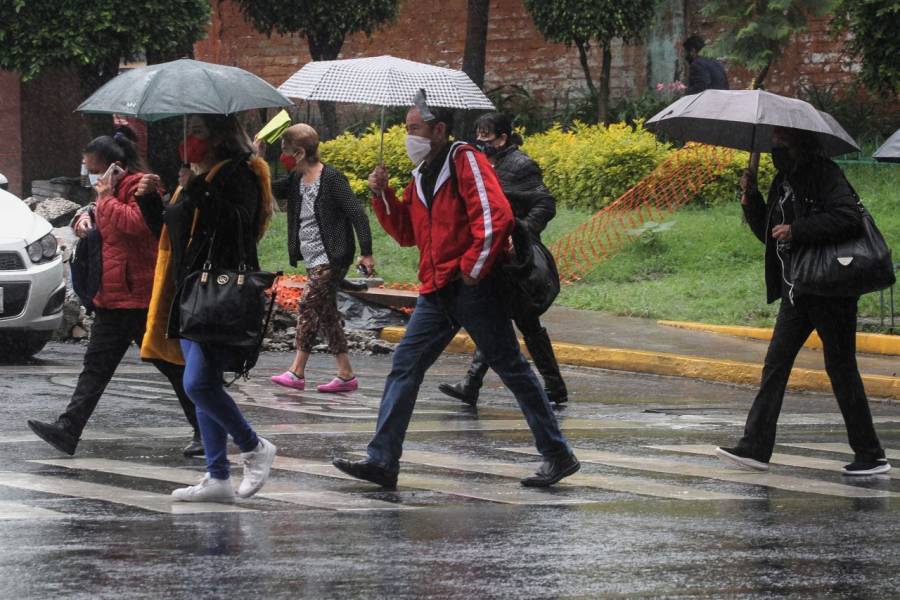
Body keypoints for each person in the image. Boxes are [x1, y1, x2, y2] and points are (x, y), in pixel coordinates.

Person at [332, 93, 580, 489]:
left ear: (439, 130)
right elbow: (407, 234)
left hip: (471, 288)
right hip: (438, 289)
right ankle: (382, 460)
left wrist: (471, 271)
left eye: (414, 129)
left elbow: (494, 218)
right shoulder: (421, 174)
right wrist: (381, 195)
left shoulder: (464, 160)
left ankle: (558, 454)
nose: (408, 136)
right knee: (405, 366)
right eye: (406, 129)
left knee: (511, 367)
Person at [716, 127, 891, 476]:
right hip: (797, 289)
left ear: (799, 141)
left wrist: (799, 230)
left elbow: (847, 217)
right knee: (775, 365)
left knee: (840, 369)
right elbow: (770, 234)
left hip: (830, 289)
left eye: (781, 139)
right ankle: (754, 447)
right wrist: (752, 201)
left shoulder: (823, 172)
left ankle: (871, 455)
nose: (775, 145)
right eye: (774, 140)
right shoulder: (783, 179)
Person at [26, 129, 202, 457]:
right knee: (96, 367)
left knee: (171, 365)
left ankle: (207, 427)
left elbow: (138, 225)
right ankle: (68, 429)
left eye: (93, 168)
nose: (89, 174)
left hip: (138, 294)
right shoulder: (108, 190)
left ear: (114, 166)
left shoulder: (141, 184)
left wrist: (104, 200)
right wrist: (86, 216)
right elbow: (107, 224)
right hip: (113, 294)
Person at [143, 114, 277, 503]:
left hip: (219, 291)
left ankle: (254, 447)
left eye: (198, 132)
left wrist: (198, 189)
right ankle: (217, 477)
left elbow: (239, 225)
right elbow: (174, 233)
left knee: (198, 384)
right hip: (188, 291)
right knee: (204, 385)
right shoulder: (200, 176)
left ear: (220, 137)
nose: (190, 140)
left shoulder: (242, 173)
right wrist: (151, 201)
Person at [438, 113, 567, 406]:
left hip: (514, 259)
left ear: (504, 138)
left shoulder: (521, 165)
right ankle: (548, 386)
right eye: (478, 135)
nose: (481, 142)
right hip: (491, 252)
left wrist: (520, 232)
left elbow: (544, 204)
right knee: (502, 318)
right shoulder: (480, 165)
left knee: (519, 320)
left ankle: (480, 383)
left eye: (487, 136)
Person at [268, 124, 375, 393]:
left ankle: (297, 372)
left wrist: (367, 252)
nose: (283, 156)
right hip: (313, 258)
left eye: (285, 151)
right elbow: (266, 189)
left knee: (307, 305)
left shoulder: (332, 179)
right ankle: (346, 374)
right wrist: (255, 158)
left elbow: (357, 215)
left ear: (300, 152)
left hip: (333, 257)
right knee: (327, 316)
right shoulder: (295, 180)